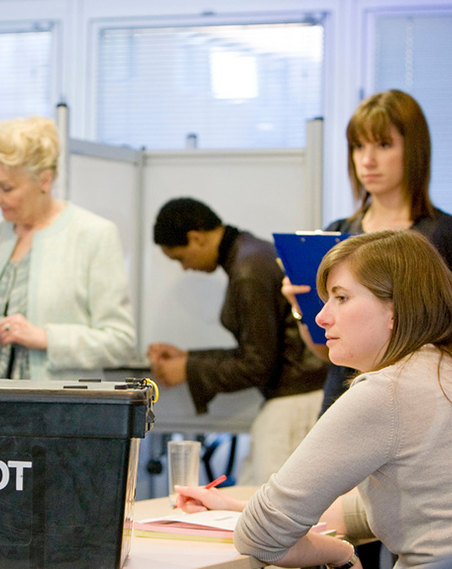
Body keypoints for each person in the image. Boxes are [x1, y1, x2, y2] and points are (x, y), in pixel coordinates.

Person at [177, 229, 452, 569]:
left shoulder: (386, 392)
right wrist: (238, 507)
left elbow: (259, 537)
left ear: (394, 309)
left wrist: (340, 554)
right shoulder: (438, 370)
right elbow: (408, 508)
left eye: (341, 298)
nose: (321, 317)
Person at [284, 90, 452, 414]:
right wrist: (300, 309)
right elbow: (330, 351)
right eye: (359, 147)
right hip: (344, 399)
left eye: (383, 145)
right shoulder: (338, 233)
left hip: (416, 406)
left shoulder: (442, 235)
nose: (367, 160)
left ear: (414, 151)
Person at [147, 198, 327, 486]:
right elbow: (258, 348)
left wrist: (189, 368)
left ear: (196, 238)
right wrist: (188, 358)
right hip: (299, 394)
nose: (183, 268)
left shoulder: (248, 270)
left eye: (180, 258)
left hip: (294, 403)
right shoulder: (251, 254)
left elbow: (257, 365)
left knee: (269, 510)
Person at [0, 115, 136, 379]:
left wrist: (45, 338)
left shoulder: (94, 236)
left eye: (6, 187)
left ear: (45, 181)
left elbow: (120, 341)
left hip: (59, 414)